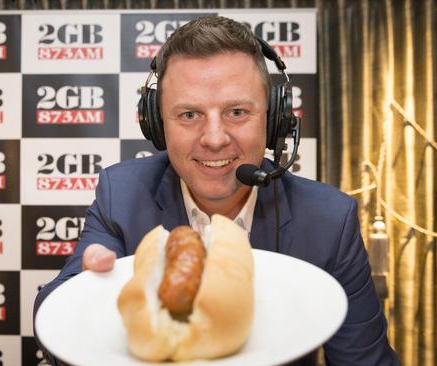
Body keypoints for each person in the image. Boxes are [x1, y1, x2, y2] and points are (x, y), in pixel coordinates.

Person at [34, 15, 399, 365]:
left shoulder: (329, 220)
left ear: (275, 120)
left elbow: (364, 359)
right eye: (189, 115)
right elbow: (52, 311)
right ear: (158, 124)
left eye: (237, 112)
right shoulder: (122, 194)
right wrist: (82, 302)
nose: (213, 139)